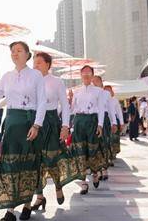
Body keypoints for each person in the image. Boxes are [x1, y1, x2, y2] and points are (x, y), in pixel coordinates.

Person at [0, 41, 46, 221]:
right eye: (12, 51)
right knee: (9, 165)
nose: (15, 53)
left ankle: (27, 205)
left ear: (27, 54)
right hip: (12, 124)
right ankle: (10, 210)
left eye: (19, 50)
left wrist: (36, 125)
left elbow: (42, 103)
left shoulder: (36, 75)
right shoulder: (6, 77)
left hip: (29, 123)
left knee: (28, 165)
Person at [30, 51, 70, 211]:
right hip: (35, 123)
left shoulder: (56, 82)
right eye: (34, 62)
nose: (35, 65)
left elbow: (65, 105)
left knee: (52, 159)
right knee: (36, 160)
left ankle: (58, 186)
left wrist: (65, 126)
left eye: (39, 62)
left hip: (52, 122)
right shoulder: (31, 80)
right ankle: (39, 197)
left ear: (47, 64)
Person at [69, 65, 104, 194]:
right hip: (79, 122)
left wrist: (100, 124)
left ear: (92, 75)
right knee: (80, 152)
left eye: (89, 73)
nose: (86, 75)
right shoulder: (77, 91)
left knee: (92, 150)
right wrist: (70, 100)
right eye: (83, 73)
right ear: (81, 75)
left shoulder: (98, 91)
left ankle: (95, 173)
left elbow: (101, 109)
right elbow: (72, 110)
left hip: (92, 121)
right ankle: (83, 182)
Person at [91, 76, 115, 182]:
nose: (95, 83)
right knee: (95, 145)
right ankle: (98, 169)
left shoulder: (106, 94)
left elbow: (110, 108)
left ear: (101, 82)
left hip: (104, 120)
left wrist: (114, 122)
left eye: (97, 81)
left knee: (104, 144)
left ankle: (104, 169)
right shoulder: (91, 93)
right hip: (92, 119)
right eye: (93, 82)